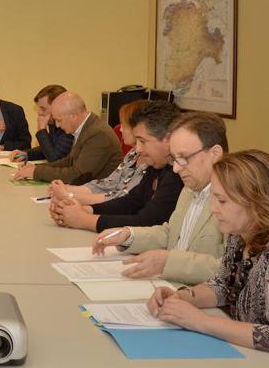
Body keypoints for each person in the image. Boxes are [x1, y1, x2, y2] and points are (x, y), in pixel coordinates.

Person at [147, 150, 269, 352]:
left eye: (222, 201)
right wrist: (182, 297)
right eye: (213, 198)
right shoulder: (238, 235)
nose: (213, 208)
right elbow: (223, 286)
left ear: (257, 202)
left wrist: (200, 321)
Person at [93, 112, 227, 284]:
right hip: (171, 286)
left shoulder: (235, 200)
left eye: (184, 158)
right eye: (174, 158)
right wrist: (129, 235)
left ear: (215, 154)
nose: (177, 169)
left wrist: (169, 262)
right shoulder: (190, 187)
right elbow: (171, 233)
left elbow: (229, 269)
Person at [50, 101, 183, 232]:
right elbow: (132, 201)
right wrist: (86, 210)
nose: (138, 149)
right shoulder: (158, 166)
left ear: (168, 139)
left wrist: (84, 220)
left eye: (142, 141)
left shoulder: (177, 175)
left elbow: (147, 222)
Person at [49, 100, 149, 205]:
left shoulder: (149, 162)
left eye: (124, 126)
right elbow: (108, 184)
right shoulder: (133, 154)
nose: (120, 130)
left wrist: (69, 196)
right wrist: (68, 189)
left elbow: (121, 198)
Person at [14, 92, 121, 184]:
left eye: (59, 120)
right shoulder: (86, 127)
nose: (57, 125)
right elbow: (69, 161)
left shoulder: (98, 134)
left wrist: (36, 172)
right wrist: (37, 168)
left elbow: (78, 175)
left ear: (73, 116)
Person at [8, 85, 74, 163]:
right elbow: (49, 148)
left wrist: (42, 130)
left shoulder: (69, 126)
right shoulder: (53, 123)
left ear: (57, 107)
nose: (39, 113)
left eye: (43, 109)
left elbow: (54, 158)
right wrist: (26, 153)